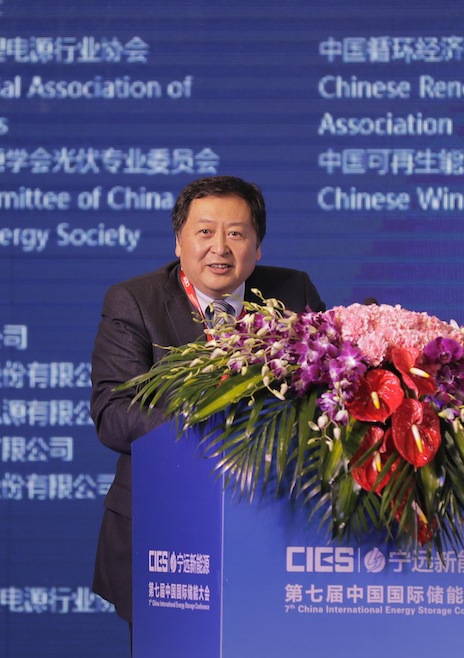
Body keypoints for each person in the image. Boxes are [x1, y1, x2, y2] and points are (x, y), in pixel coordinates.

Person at [89, 175, 326, 631]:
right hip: (165, 526)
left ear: (257, 247)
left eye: (236, 233)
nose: (220, 247)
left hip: (270, 521)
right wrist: (218, 431)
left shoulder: (292, 292)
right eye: (204, 232)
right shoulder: (135, 301)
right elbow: (113, 414)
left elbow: (323, 389)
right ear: (179, 242)